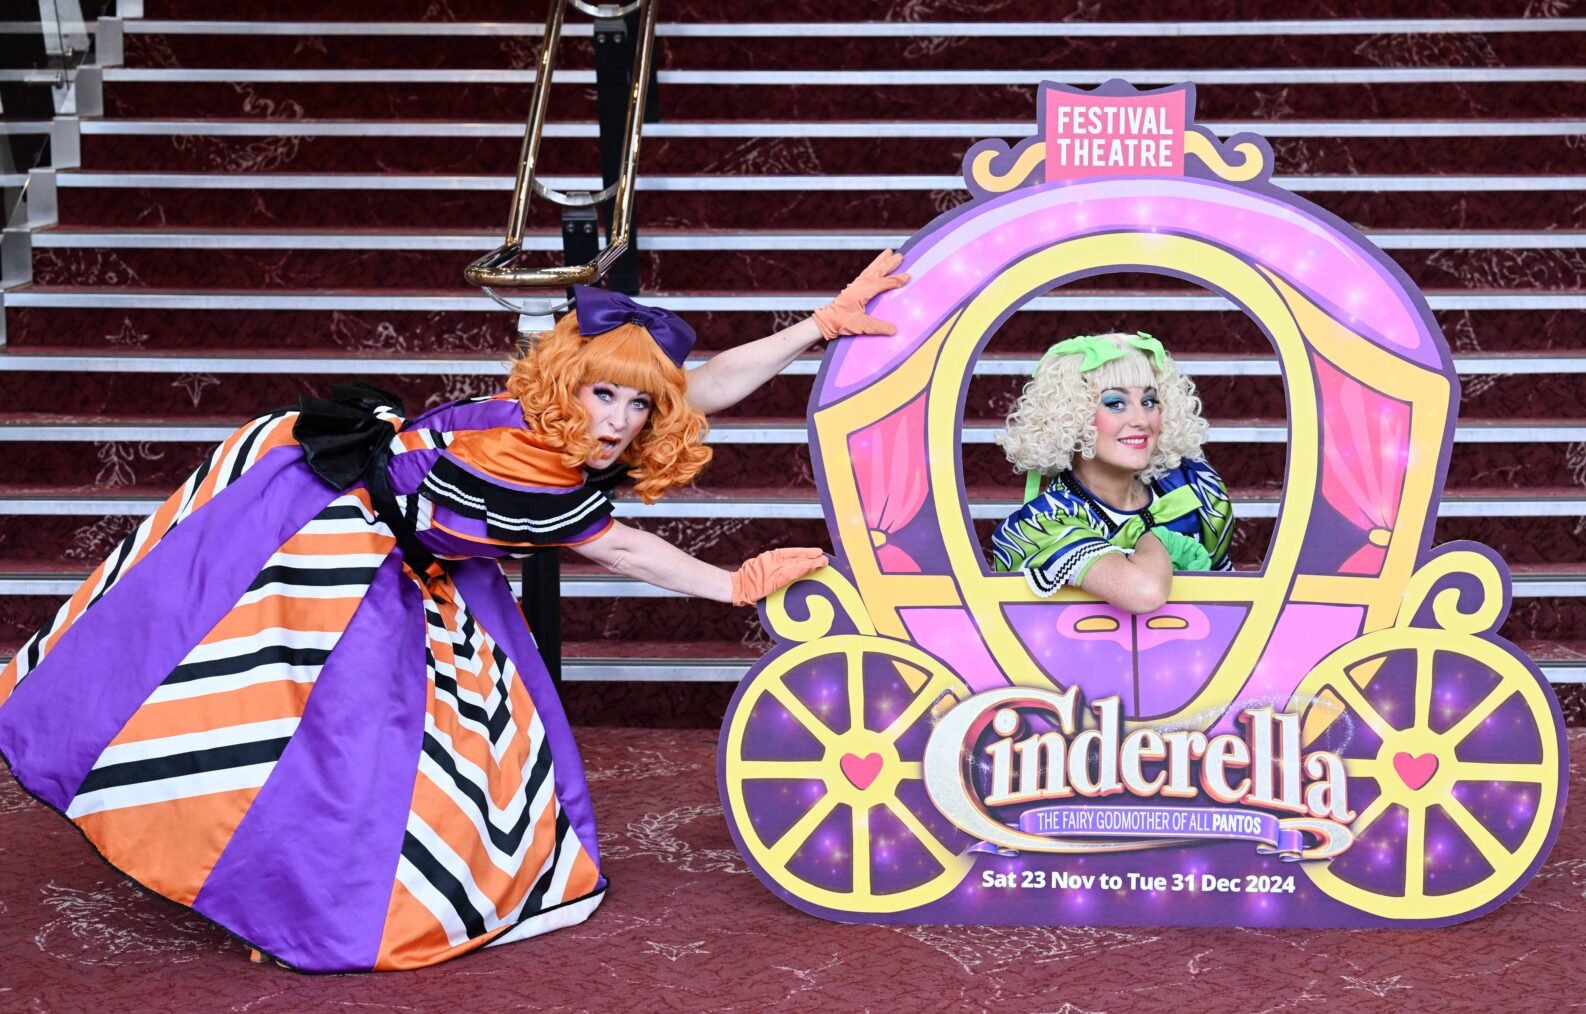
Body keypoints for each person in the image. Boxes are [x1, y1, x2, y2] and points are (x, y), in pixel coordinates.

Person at [0, 254, 908, 973]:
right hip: (339, 554)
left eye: (637, 403)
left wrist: (818, 326)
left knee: (446, 737)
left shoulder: (560, 425)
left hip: (418, 564)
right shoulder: (523, 461)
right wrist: (733, 585)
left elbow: (695, 390)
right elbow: (619, 547)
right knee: (315, 736)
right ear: (570, 383)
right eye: (607, 394)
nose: (625, 419)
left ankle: (311, 878)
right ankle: (286, 902)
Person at [990, 332, 1233, 613]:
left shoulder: (1196, 486)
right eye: (1116, 403)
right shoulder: (1037, 526)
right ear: (1072, 415)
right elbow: (1145, 592)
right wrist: (1158, 539)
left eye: (1149, 401)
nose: (1141, 420)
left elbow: (1225, 601)